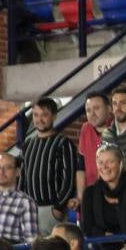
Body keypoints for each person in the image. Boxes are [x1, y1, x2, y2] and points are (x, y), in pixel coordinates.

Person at [20, 98, 83, 235]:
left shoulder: (63, 143)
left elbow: (68, 179)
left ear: (54, 116)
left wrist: (58, 208)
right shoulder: (28, 144)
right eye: (36, 115)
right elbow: (23, 177)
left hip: (51, 209)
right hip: (29, 209)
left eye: (44, 115)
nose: (39, 119)